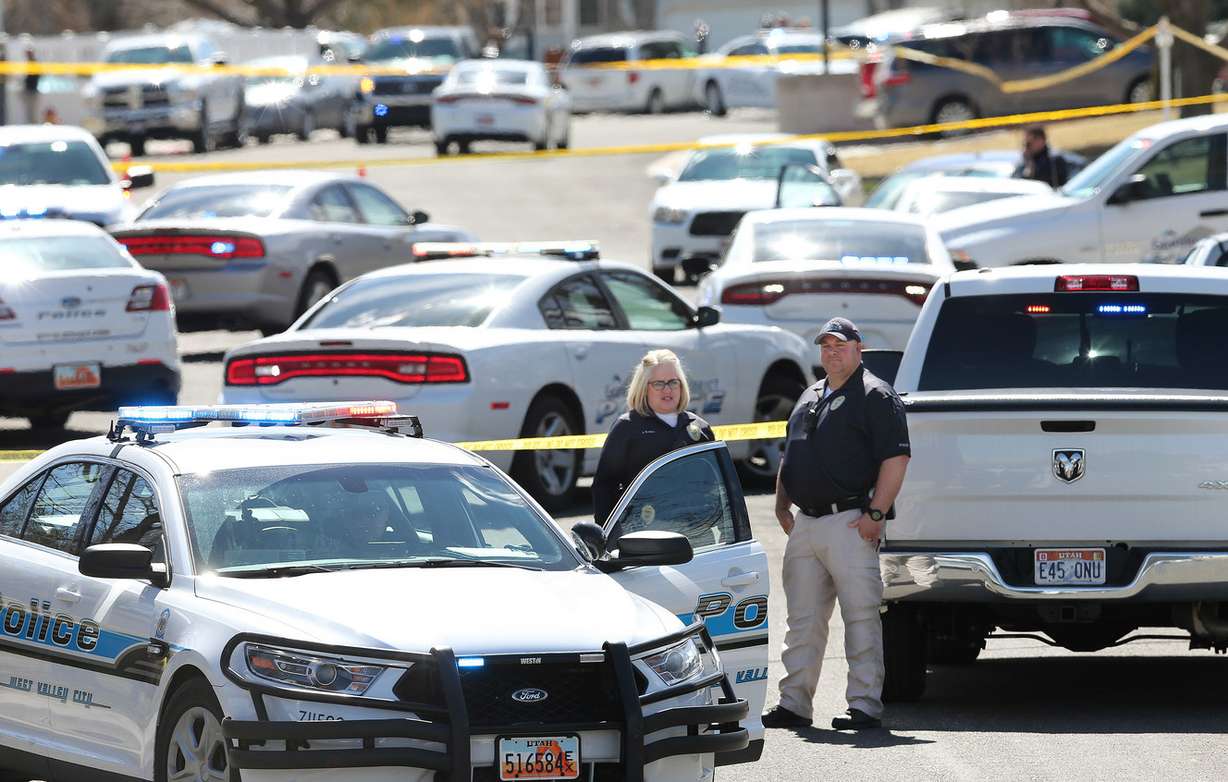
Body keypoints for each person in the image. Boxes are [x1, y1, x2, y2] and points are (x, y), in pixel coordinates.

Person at [761, 317, 910, 731]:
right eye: (825, 346)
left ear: (858, 348)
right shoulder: (811, 394)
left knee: (860, 616)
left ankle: (864, 705)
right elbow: (791, 454)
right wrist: (780, 506)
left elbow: (896, 459)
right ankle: (794, 704)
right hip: (806, 523)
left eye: (840, 346)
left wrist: (875, 515)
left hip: (851, 521)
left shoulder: (876, 396)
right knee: (802, 619)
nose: (832, 352)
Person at [592, 349, 714, 524]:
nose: (667, 389)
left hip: (697, 530)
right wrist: (605, 538)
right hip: (643, 532)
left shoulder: (701, 428)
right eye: (658, 384)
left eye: (673, 382)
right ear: (644, 387)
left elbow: (714, 488)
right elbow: (604, 486)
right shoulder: (627, 427)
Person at [21, 47, 39, 125]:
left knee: (32, 109)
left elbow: (36, 76)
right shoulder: (29, 62)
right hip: (29, 89)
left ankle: (33, 124)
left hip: (32, 89)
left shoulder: (34, 62)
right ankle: (31, 123)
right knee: (29, 109)